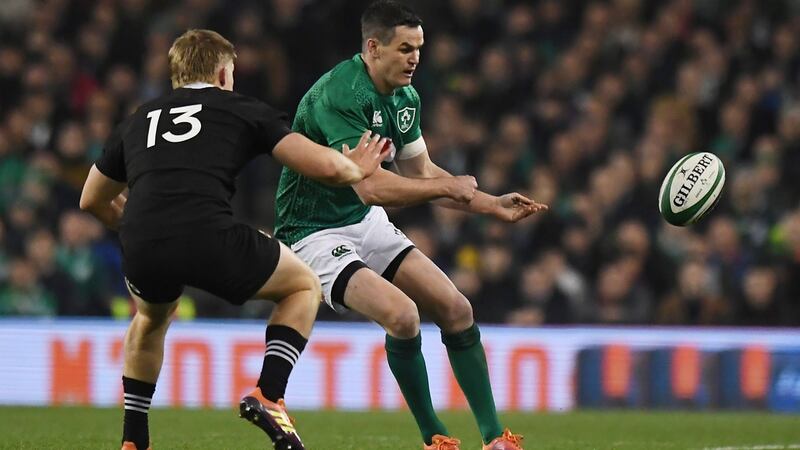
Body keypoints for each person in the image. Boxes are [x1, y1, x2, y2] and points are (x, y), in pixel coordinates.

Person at [79, 29, 389, 450]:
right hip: (208, 233)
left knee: (150, 319)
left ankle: (134, 439)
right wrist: (355, 168)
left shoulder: (139, 118)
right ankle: (269, 393)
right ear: (225, 73)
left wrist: (136, 227)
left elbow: (91, 199)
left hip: (142, 240)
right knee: (303, 286)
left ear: (176, 76)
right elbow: (325, 167)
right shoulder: (239, 108)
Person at [274, 2, 547, 449]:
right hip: (312, 230)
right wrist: (451, 189)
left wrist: (489, 205)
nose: (415, 58)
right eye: (405, 48)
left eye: (419, 48)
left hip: (362, 221)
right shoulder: (342, 95)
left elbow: (421, 172)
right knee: (403, 316)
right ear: (373, 47)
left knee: (456, 308)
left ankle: (496, 438)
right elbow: (370, 187)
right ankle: (434, 437)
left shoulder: (406, 98)